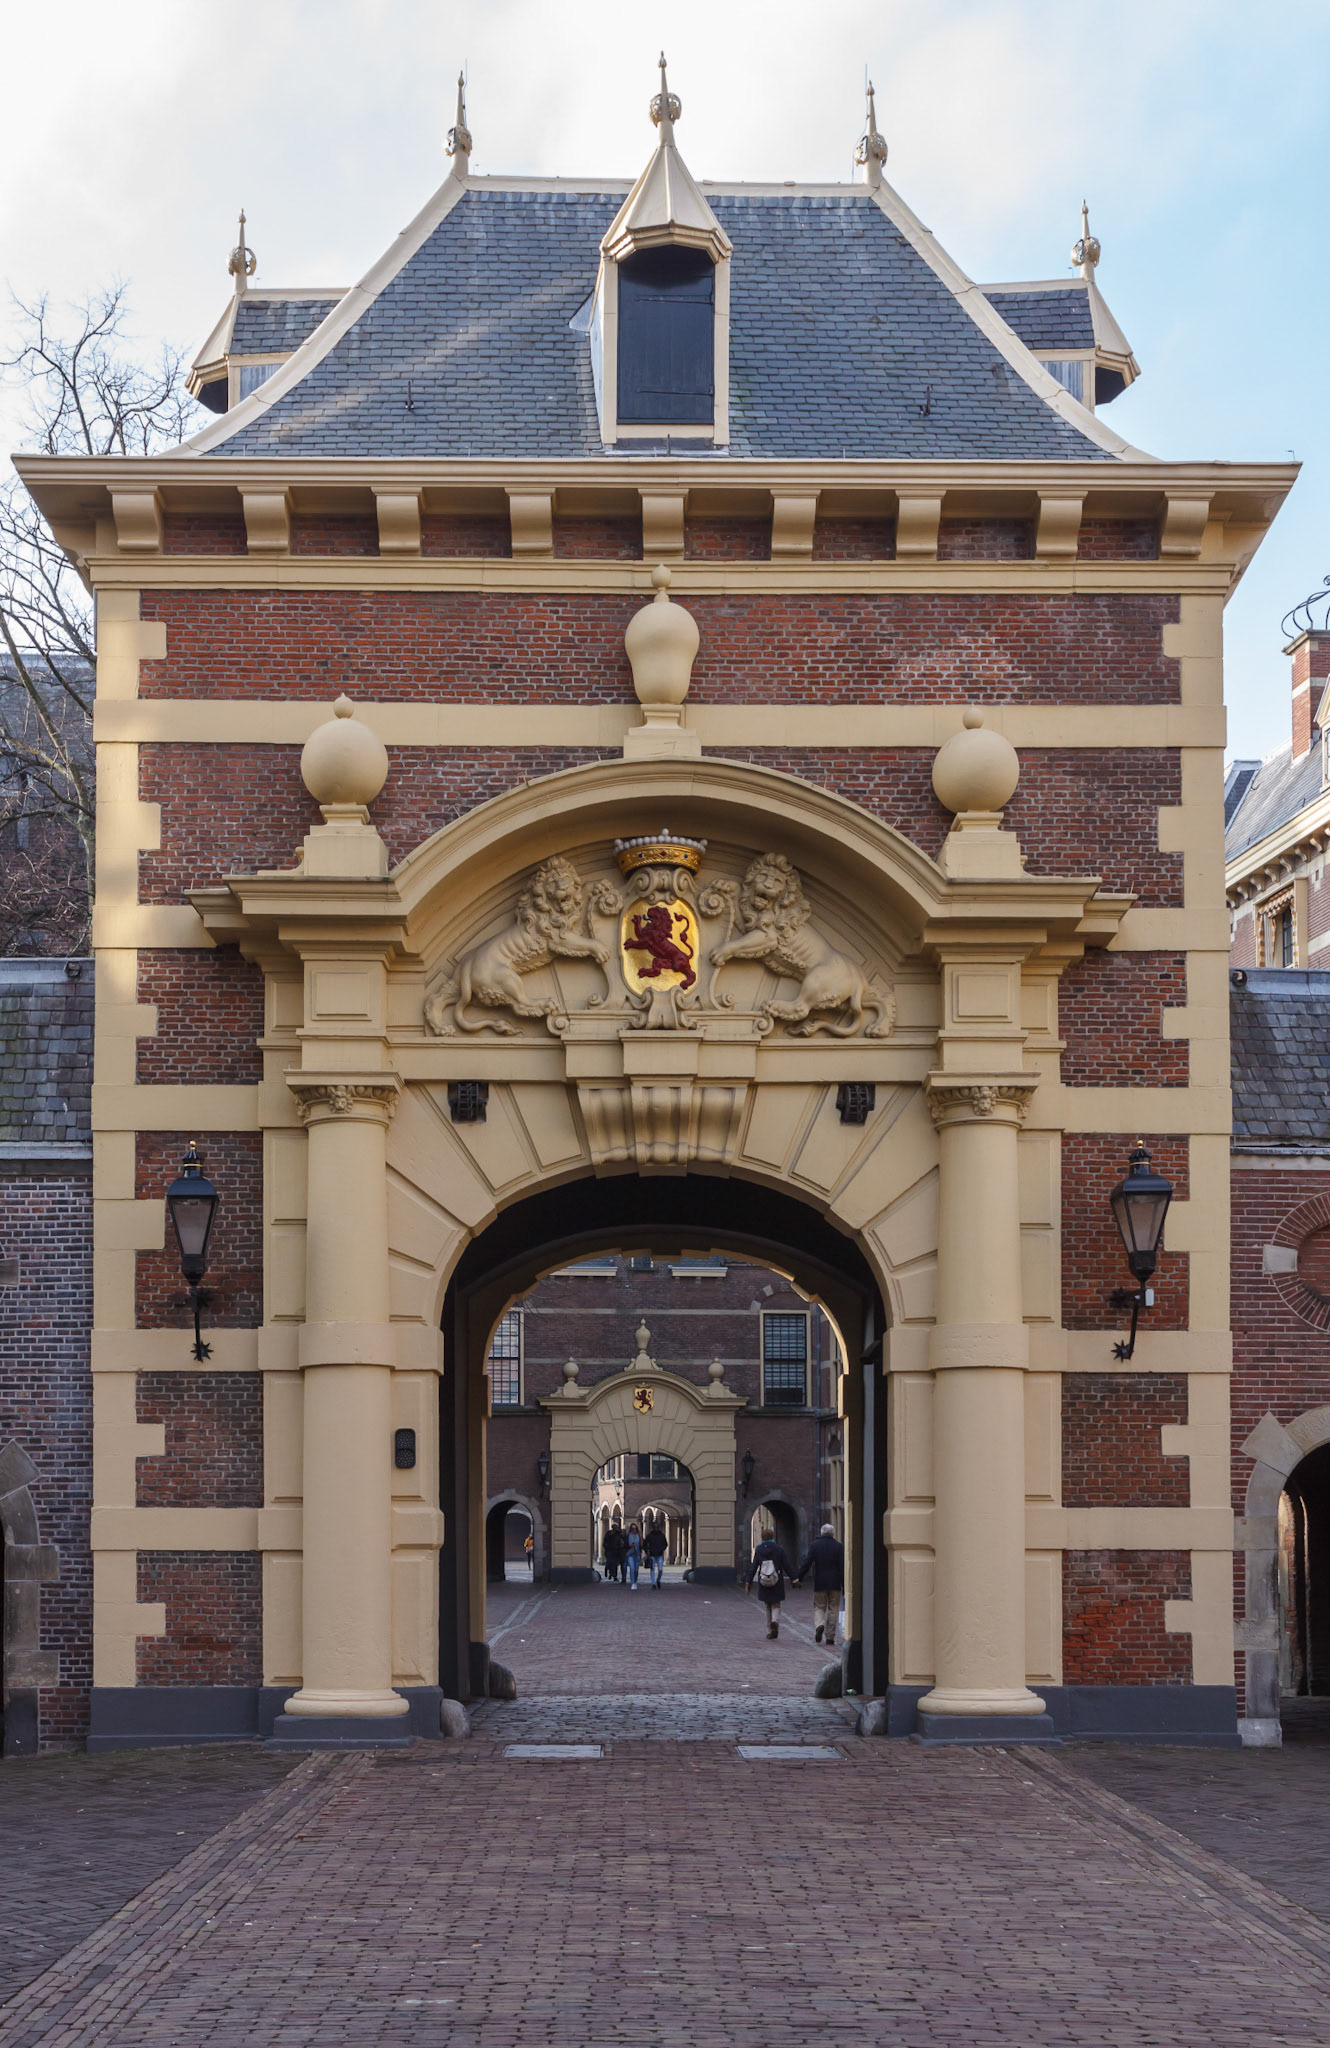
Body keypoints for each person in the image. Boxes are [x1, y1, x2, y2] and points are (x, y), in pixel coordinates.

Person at [793, 1522, 845, 1647]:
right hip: (835, 1583)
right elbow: (842, 1566)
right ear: (833, 1534)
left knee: (819, 1607)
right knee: (833, 1609)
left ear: (821, 1533)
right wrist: (845, 1585)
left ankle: (819, 1625)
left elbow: (807, 1562)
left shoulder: (815, 1545)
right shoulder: (838, 1546)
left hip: (820, 1582)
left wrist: (798, 1578)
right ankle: (830, 1637)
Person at [746, 1524, 793, 1639]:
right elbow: (787, 1566)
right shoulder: (779, 1549)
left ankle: (770, 1630)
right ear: (773, 1536)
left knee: (767, 1605)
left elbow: (753, 1566)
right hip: (776, 1579)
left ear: (762, 1538)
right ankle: (775, 1621)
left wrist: (748, 1582)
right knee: (776, 1603)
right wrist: (795, 1579)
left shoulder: (759, 1549)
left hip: (763, 1580)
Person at [644, 1520, 668, 1588]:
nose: (656, 1528)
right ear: (653, 1527)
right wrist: (647, 1551)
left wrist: (661, 1549)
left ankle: (658, 1580)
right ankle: (653, 1584)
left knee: (660, 1570)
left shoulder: (662, 1535)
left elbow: (665, 1544)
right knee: (652, 1569)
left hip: (659, 1554)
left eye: (657, 1527)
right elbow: (645, 1544)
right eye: (655, 1527)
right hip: (652, 1555)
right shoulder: (649, 1536)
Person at [624, 1520, 642, 1590]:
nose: (634, 1530)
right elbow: (625, 1545)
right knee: (632, 1568)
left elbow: (642, 1545)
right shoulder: (628, 1536)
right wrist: (630, 1545)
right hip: (630, 1554)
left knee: (636, 1570)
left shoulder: (639, 1536)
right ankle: (633, 1583)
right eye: (632, 1529)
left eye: (635, 1528)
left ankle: (635, 1581)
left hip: (637, 1554)